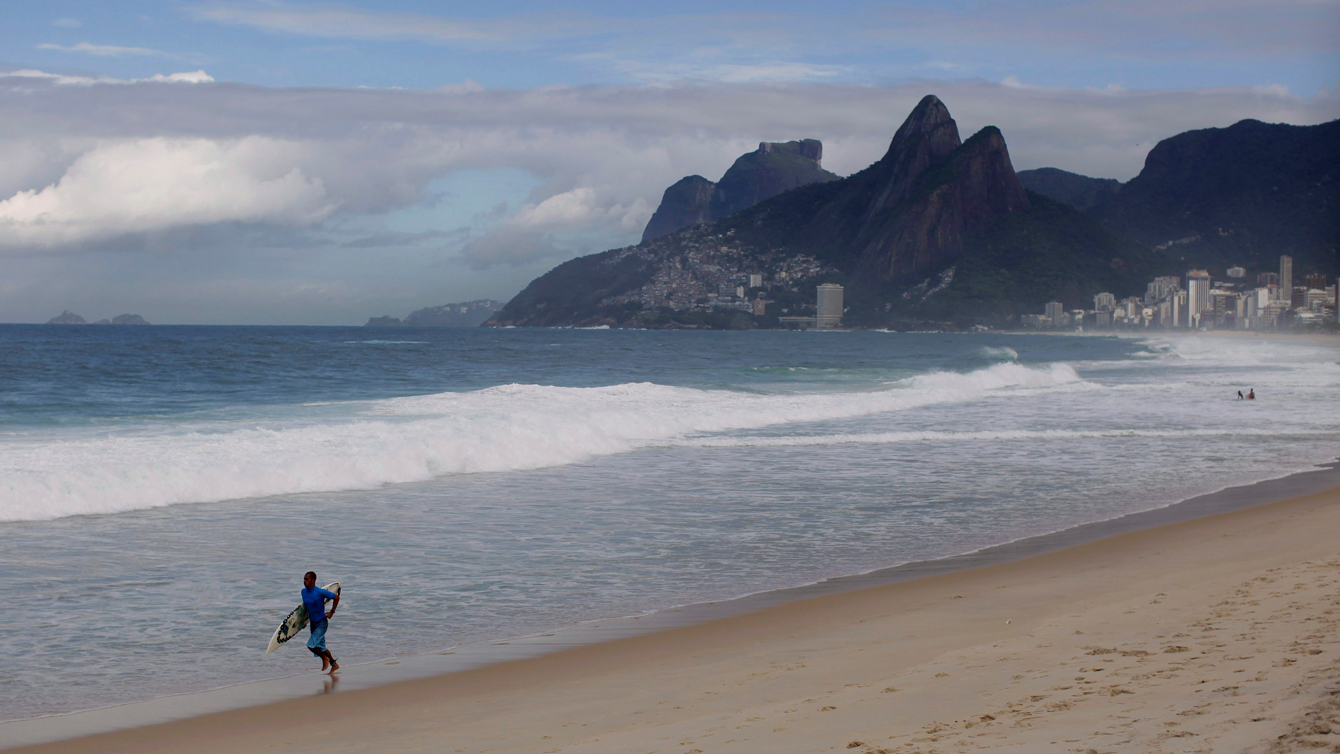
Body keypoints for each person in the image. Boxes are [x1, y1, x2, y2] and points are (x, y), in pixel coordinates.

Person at [301, 571, 340, 673]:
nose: (304, 581)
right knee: (322, 647)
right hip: (313, 623)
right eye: (304, 579)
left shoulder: (320, 592)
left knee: (311, 645)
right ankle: (334, 664)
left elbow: (336, 597)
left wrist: (332, 612)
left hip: (322, 623)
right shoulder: (303, 592)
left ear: (313, 580)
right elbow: (306, 608)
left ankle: (324, 659)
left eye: (306, 579)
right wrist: (303, 622)